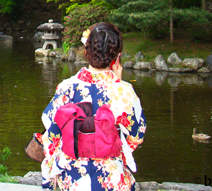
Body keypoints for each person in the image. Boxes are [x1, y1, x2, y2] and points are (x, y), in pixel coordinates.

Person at [40, 22, 146, 191]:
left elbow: (52, 137)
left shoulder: (67, 87)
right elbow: (136, 137)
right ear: (116, 57)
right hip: (111, 180)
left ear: (86, 51)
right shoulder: (124, 91)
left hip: (73, 180)